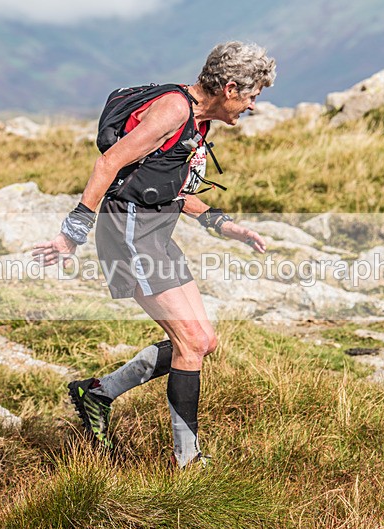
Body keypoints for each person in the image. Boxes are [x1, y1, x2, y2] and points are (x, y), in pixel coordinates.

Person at [33, 41, 275, 468]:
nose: (253, 106)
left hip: (156, 232)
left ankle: (98, 393)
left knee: (205, 341)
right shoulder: (173, 110)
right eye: (253, 96)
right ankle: (188, 462)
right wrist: (72, 233)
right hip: (129, 233)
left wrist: (222, 224)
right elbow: (108, 164)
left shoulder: (198, 121)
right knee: (191, 343)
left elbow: (171, 187)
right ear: (231, 88)